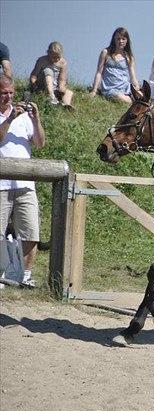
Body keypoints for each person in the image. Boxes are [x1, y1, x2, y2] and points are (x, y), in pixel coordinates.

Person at [0, 75, 46, 288]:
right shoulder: (8, 116)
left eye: (11, 92)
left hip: (25, 184)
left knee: (31, 233)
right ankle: (1, 274)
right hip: (1, 185)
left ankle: (25, 275)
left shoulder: (26, 117)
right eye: (4, 93)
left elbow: (40, 143)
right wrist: (9, 119)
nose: (8, 97)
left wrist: (36, 118)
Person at [90, 27, 140, 103]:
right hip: (110, 88)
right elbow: (99, 72)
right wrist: (94, 90)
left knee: (142, 96)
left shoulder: (129, 57)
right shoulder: (106, 52)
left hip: (125, 87)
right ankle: (132, 102)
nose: (121, 41)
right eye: (118, 39)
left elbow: (133, 76)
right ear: (114, 39)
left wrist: (137, 87)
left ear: (127, 40)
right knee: (120, 97)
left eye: (123, 39)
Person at [29, 41, 74, 109]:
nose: (56, 59)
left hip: (55, 86)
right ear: (48, 53)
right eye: (54, 57)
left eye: (58, 57)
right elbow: (34, 75)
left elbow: (62, 79)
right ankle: (51, 96)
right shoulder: (42, 60)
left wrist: (61, 87)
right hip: (42, 85)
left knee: (69, 92)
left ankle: (65, 105)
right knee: (48, 70)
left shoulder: (63, 62)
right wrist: (33, 84)